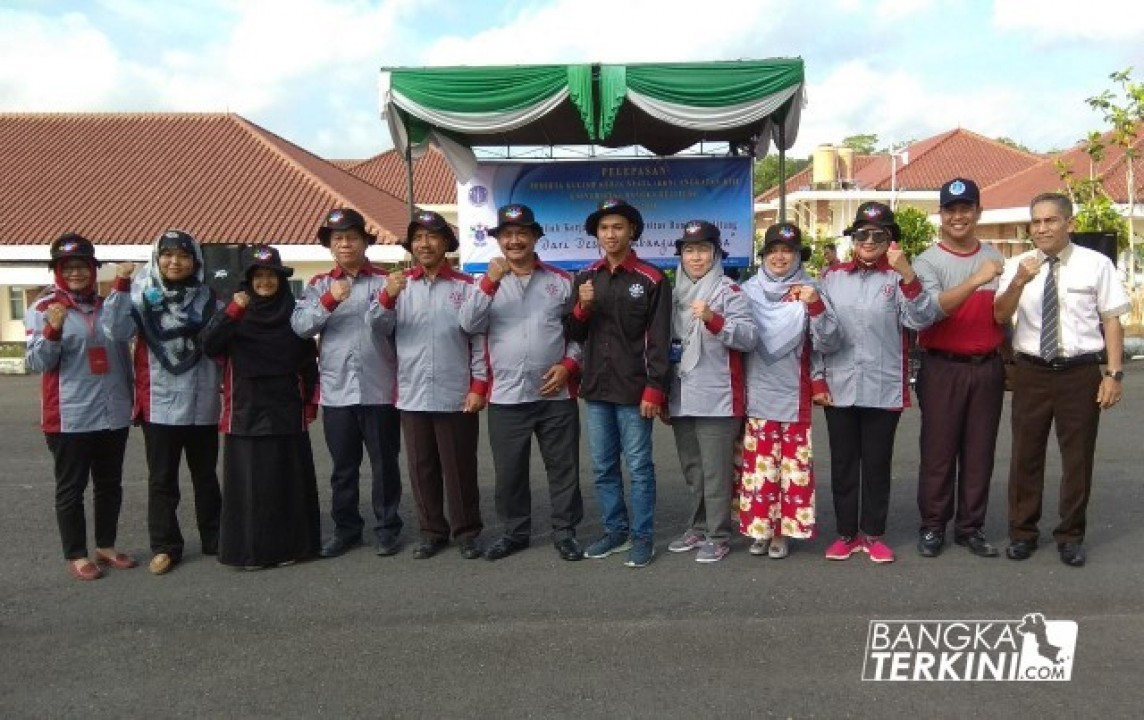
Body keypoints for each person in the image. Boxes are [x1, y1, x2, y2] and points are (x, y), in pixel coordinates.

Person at [994, 192, 1129, 567]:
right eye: (1036, 221)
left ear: (1069, 223)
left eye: (1050, 220)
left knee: (1078, 459)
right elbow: (1000, 316)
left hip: (1080, 373)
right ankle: (1022, 533)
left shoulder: (1096, 265)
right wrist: (1018, 282)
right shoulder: (1017, 264)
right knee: (1025, 456)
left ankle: (1071, 536)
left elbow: (1112, 319)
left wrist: (1113, 374)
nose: (1041, 228)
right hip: (1032, 372)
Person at [458, 204, 586, 562]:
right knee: (510, 471)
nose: (515, 241)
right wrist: (489, 282)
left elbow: (577, 333)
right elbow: (468, 325)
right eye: (507, 235)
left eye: (522, 234)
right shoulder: (481, 282)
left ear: (535, 238)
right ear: (498, 240)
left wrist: (568, 365)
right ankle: (515, 533)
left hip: (556, 392)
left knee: (563, 467)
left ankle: (565, 532)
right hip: (506, 396)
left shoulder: (561, 280)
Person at [814, 202, 938, 563]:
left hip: (882, 386)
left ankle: (873, 533)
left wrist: (909, 277)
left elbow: (922, 320)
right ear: (852, 239)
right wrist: (817, 380)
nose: (868, 241)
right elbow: (818, 334)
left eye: (878, 235)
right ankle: (846, 533)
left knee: (877, 463)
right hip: (839, 386)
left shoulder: (899, 278)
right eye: (862, 234)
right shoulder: (831, 277)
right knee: (843, 464)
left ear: (890, 241)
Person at [291, 208, 403, 559]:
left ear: (364, 242)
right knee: (343, 468)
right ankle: (347, 529)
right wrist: (329, 300)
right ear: (329, 245)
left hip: (380, 387)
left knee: (385, 464)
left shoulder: (386, 280)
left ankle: (387, 528)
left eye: (351, 237)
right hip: (337, 390)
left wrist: (387, 299)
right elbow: (300, 327)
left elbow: (394, 327)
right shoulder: (319, 284)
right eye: (337, 238)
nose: (345, 244)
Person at [565, 198, 671, 568]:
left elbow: (659, 340)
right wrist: (582, 306)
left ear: (632, 232)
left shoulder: (652, 278)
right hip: (595, 388)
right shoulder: (585, 278)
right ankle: (616, 531)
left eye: (618, 227)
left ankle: (642, 537)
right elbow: (573, 333)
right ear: (596, 233)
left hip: (634, 389)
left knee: (639, 467)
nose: (610, 234)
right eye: (604, 228)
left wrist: (655, 388)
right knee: (603, 467)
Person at [25, 234, 138, 581]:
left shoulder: (111, 304)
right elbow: (36, 361)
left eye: (82, 266)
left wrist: (122, 283)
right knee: (71, 488)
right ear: (58, 271)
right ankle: (76, 553)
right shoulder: (43, 308)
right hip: (69, 415)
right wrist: (54, 329)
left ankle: (105, 545)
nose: (76, 273)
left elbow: (124, 332)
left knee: (109, 484)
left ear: (93, 269)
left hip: (112, 410)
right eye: (68, 267)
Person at [201, 245, 321, 569]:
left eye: (272, 275)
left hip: (286, 407)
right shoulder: (234, 312)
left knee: (288, 482)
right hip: (246, 410)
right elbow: (209, 344)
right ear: (248, 281)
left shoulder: (294, 314)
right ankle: (250, 553)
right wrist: (233, 312)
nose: (265, 281)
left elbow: (308, 362)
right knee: (250, 487)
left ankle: (292, 548)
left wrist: (311, 402)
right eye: (259, 276)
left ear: (281, 280)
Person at [376, 209, 486, 560]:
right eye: (418, 238)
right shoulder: (396, 285)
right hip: (412, 392)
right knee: (421, 467)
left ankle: (467, 530)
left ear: (446, 243)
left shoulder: (467, 286)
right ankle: (431, 530)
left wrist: (478, 385)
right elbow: (377, 328)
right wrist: (386, 298)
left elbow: (479, 339)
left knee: (460, 466)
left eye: (432, 237)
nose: (424, 244)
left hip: (456, 392)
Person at [912, 178, 1006, 559]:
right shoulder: (927, 261)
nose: (958, 216)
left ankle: (971, 527)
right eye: (950, 210)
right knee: (938, 451)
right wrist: (976, 279)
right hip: (942, 366)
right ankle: (933, 525)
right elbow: (933, 310)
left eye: (965, 208)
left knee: (979, 451)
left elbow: (1004, 311)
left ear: (978, 212)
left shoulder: (995, 255)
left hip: (986, 366)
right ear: (941, 215)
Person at [737, 222, 833, 560]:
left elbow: (828, 342)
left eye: (788, 251)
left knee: (791, 469)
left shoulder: (812, 288)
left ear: (797, 256)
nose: (780, 257)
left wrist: (816, 305)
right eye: (773, 250)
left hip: (794, 391)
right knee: (760, 468)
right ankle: (760, 530)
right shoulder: (747, 291)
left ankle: (782, 531)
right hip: (757, 389)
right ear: (764, 256)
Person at [130, 229, 222, 575]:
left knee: (206, 476)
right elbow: (117, 333)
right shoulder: (140, 299)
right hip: (160, 401)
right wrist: (121, 290)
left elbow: (226, 339)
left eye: (183, 255)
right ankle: (165, 546)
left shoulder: (210, 299)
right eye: (167, 254)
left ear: (195, 261)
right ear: (157, 258)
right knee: (162, 479)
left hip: (202, 401)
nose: (175, 262)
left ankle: (215, 537)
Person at [664, 220, 755, 563]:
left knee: (716, 470)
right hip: (682, 393)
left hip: (719, 395)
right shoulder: (673, 295)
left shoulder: (730, 292)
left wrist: (715, 320)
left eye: (703, 250)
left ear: (716, 254)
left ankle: (718, 534)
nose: (696, 257)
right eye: (689, 251)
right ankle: (698, 526)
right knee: (693, 469)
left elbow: (749, 338)